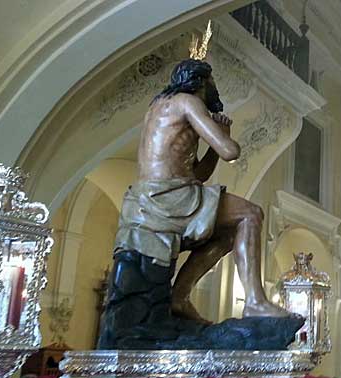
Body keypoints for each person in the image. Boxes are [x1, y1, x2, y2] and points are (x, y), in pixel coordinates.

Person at [114, 58, 288, 322]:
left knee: (229, 234)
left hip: (155, 195)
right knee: (251, 214)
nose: (215, 89)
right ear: (201, 82)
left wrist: (216, 144)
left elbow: (198, 174)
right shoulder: (188, 101)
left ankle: (179, 297)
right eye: (213, 82)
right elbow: (230, 151)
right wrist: (224, 133)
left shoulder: (158, 107)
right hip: (171, 196)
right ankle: (254, 302)